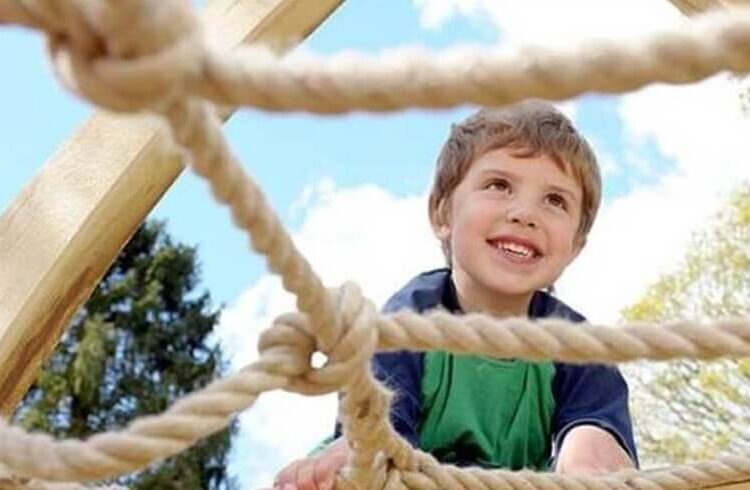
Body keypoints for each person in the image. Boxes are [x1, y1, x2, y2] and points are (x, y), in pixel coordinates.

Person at [273, 100, 637, 490]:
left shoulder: (579, 346)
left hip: (512, 483)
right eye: (499, 185)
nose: (525, 213)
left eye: (555, 200)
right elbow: (380, 429)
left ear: (576, 246)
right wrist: (363, 457)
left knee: (595, 466)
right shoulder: (412, 318)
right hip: (410, 474)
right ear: (442, 214)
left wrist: (591, 457)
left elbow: (594, 424)